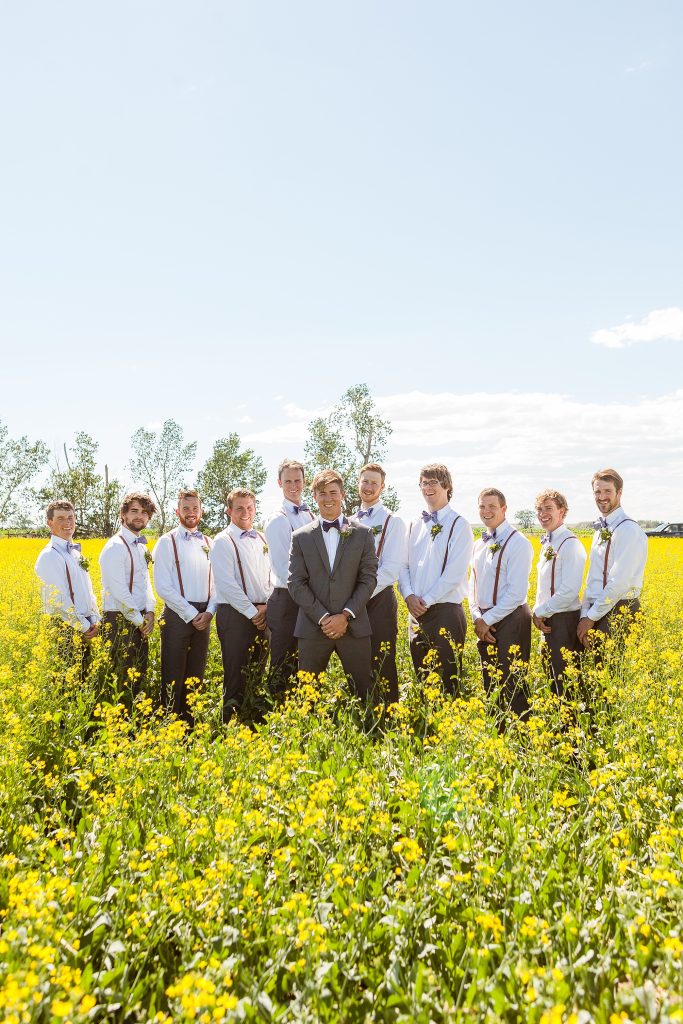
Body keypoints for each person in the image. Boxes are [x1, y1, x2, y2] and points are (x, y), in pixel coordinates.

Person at [288, 469, 377, 701]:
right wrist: (324, 617)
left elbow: (368, 579)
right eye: (322, 493)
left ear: (343, 495)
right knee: (308, 700)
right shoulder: (300, 537)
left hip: (354, 627)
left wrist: (345, 615)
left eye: (333, 493)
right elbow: (296, 583)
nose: (328, 498)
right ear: (314, 497)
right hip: (313, 628)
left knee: (365, 695)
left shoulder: (363, 534)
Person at [399, 463, 473, 695]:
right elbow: (403, 565)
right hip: (415, 612)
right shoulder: (413, 524)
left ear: (447, 486)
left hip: (445, 612)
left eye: (433, 482)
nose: (428, 487)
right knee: (422, 682)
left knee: (447, 684)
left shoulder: (459, 524)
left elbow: (454, 573)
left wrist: (425, 601)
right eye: (424, 483)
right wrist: (409, 596)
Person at [153, 489, 216, 726]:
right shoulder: (166, 541)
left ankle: (190, 728)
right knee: (172, 676)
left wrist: (210, 611)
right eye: (186, 508)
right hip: (179, 614)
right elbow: (163, 587)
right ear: (177, 511)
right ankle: (168, 727)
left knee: (195, 676)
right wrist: (191, 614)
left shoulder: (209, 542)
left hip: (205, 615)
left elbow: (216, 583)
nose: (191, 513)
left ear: (201, 511)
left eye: (195, 508)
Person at [469, 487, 533, 719]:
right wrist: (477, 617)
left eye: (492, 506)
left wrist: (487, 620)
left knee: (513, 682)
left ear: (504, 509)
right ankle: (498, 735)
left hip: (511, 618)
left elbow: (516, 593)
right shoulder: (478, 544)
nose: (486, 511)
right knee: (490, 683)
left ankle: (523, 739)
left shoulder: (519, 543)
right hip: (484, 621)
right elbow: (472, 585)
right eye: (482, 506)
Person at [211, 488, 272, 722]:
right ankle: (230, 725)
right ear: (229, 511)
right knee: (236, 674)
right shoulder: (222, 541)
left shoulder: (262, 538)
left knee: (258, 671)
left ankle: (254, 722)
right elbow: (226, 584)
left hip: (263, 612)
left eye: (249, 507)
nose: (245, 512)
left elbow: (271, 575)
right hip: (236, 614)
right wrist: (251, 612)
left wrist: (266, 607)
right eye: (239, 508)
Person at [350, 463, 407, 704]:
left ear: (382, 487)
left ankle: (388, 715)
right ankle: (361, 712)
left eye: (374, 482)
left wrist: (359, 594)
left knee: (382, 660)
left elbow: (391, 569)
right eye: (365, 481)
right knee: (355, 660)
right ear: (358, 484)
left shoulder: (393, 521)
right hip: (352, 603)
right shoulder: (348, 521)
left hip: (379, 600)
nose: (369, 487)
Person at [577, 468, 647, 652]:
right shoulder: (600, 528)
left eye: (608, 491)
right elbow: (593, 577)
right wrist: (585, 612)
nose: (602, 497)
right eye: (597, 491)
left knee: (615, 674)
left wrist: (590, 617)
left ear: (619, 493)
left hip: (620, 609)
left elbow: (620, 582)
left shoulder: (628, 529)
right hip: (596, 609)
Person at [264, 459, 315, 697]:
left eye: (297, 480)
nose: (293, 485)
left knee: (304, 662)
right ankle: (276, 713)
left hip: (306, 598)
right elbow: (285, 569)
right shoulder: (278, 519)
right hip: (287, 600)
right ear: (279, 483)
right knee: (282, 663)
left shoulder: (311, 514)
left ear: (305, 481)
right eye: (288, 481)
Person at [99, 492, 157, 697]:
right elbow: (118, 591)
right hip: (119, 619)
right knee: (122, 678)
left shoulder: (140, 546)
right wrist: (139, 620)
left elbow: (145, 582)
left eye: (144, 512)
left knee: (138, 675)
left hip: (140, 618)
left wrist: (150, 610)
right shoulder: (114, 547)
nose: (140, 516)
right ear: (123, 514)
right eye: (134, 511)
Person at [35, 499, 100, 678]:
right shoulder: (48, 556)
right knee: (68, 687)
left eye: (71, 518)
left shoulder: (76, 553)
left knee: (85, 683)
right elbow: (57, 600)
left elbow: (88, 590)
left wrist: (94, 618)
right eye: (61, 518)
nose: (68, 523)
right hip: (65, 628)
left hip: (86, 625)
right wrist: (85, 626)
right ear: (50, 523)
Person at [532, 489, 586, 693]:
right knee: (551, 679)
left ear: (562, 511)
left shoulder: (570, 544)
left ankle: (571, 724)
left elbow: (570, 591)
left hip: (564, 620)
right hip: (549, 619)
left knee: (565, 681)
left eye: (549, 508)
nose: (542, 513)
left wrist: (540, 612)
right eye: (539, 509)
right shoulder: (548, 542)